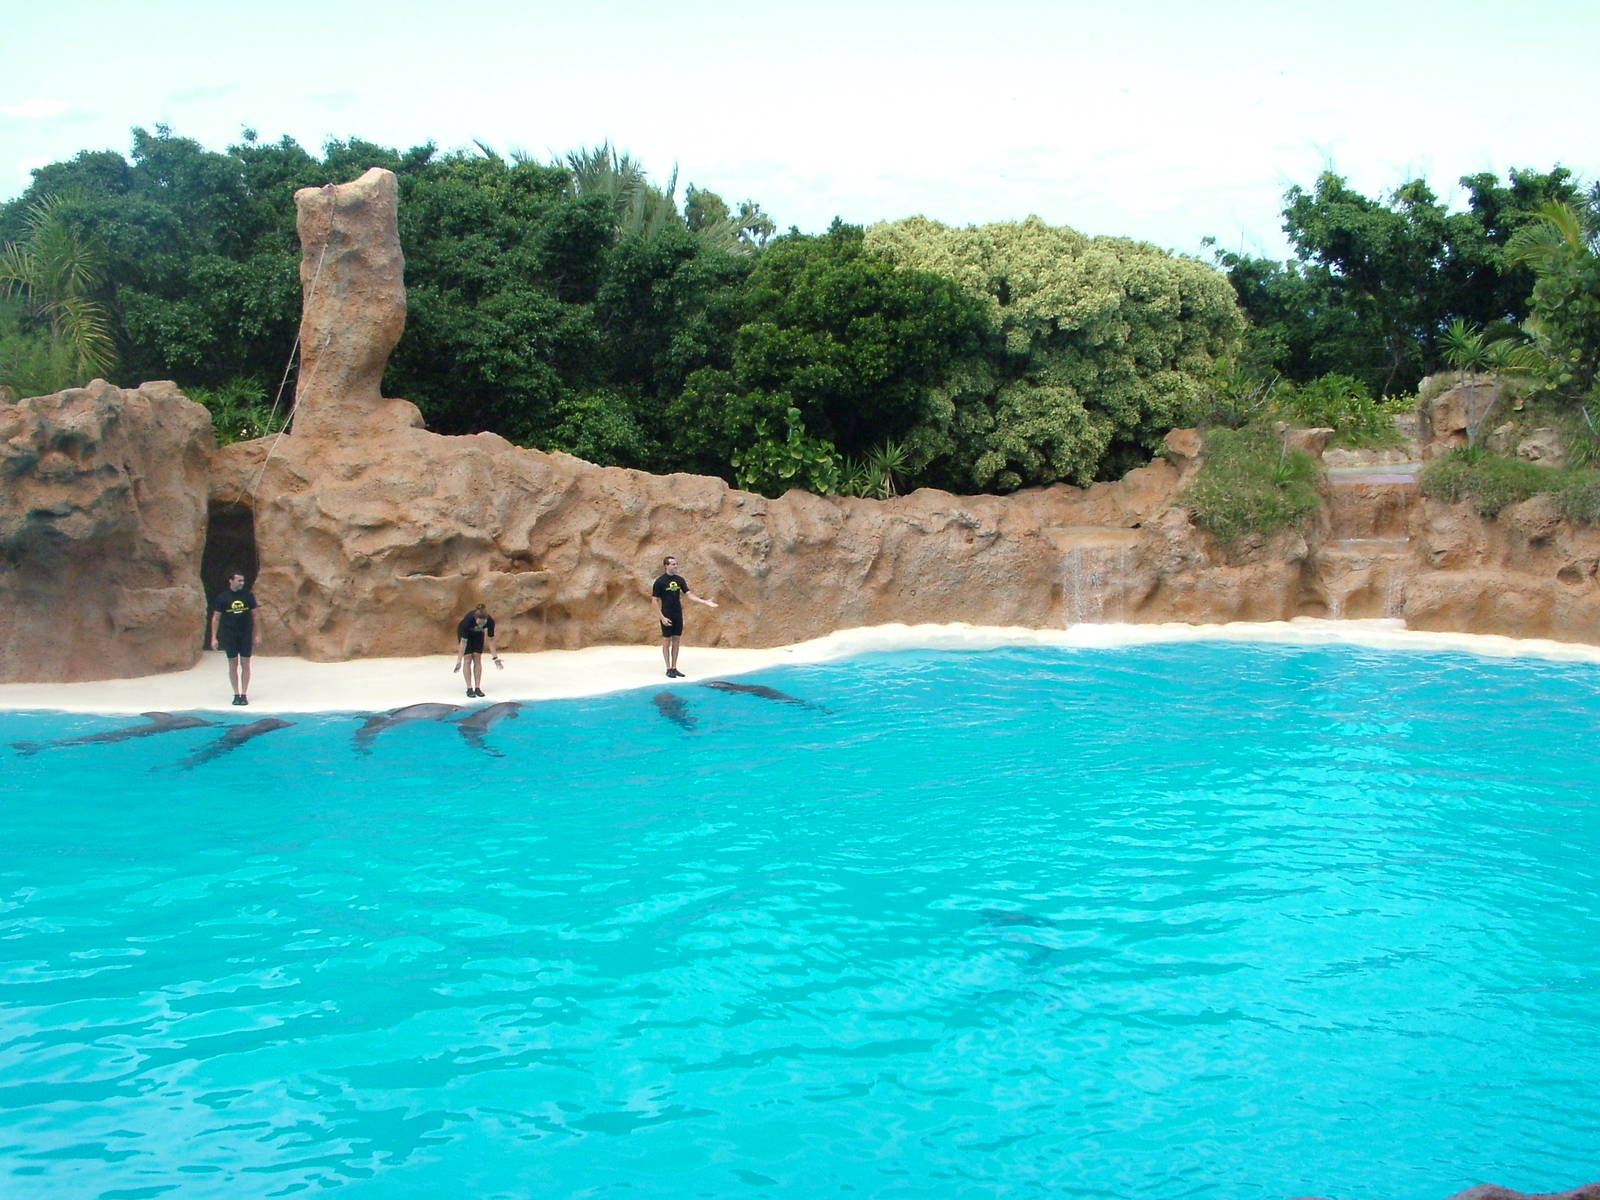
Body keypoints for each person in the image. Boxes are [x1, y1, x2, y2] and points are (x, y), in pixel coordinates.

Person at [651, 555, 718, 678]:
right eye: (673, 564)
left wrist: (704, 601)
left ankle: (674, 667)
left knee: (676, 640)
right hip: (666, 614)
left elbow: (689, 594)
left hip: (677, 614)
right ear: (666, 566)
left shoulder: (679, 580)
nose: (675, 566)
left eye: (676, 564)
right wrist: (661, 617)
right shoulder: (660, 581)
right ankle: (668, 668)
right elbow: (654, 601)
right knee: (667, 640)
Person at [208, 570, 260, 706]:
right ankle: (236, 694)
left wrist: (257, 634)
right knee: (232, 664)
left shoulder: (248, 596)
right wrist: (214, 637)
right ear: (231, 581)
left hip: (245, 634)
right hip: (229, 634)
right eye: (239, 580)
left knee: (245, 663)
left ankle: (244, 694)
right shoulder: (223, 597)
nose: (242, 583)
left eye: (243, 581)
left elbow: (255, 615)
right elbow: (216, 618)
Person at [454, 603, 501, 698]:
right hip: (466, 635)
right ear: (475, 619)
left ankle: (477, 687)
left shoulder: (490, 622)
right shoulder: (467, 621)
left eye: (483, 624)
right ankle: (469, 688)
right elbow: (463, 642)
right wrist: (459, 661)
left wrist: (495, 658)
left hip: (478, 635)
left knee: (477, 657)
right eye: (479, 623)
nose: (481, 625)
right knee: (467, 658)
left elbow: (491, 639)